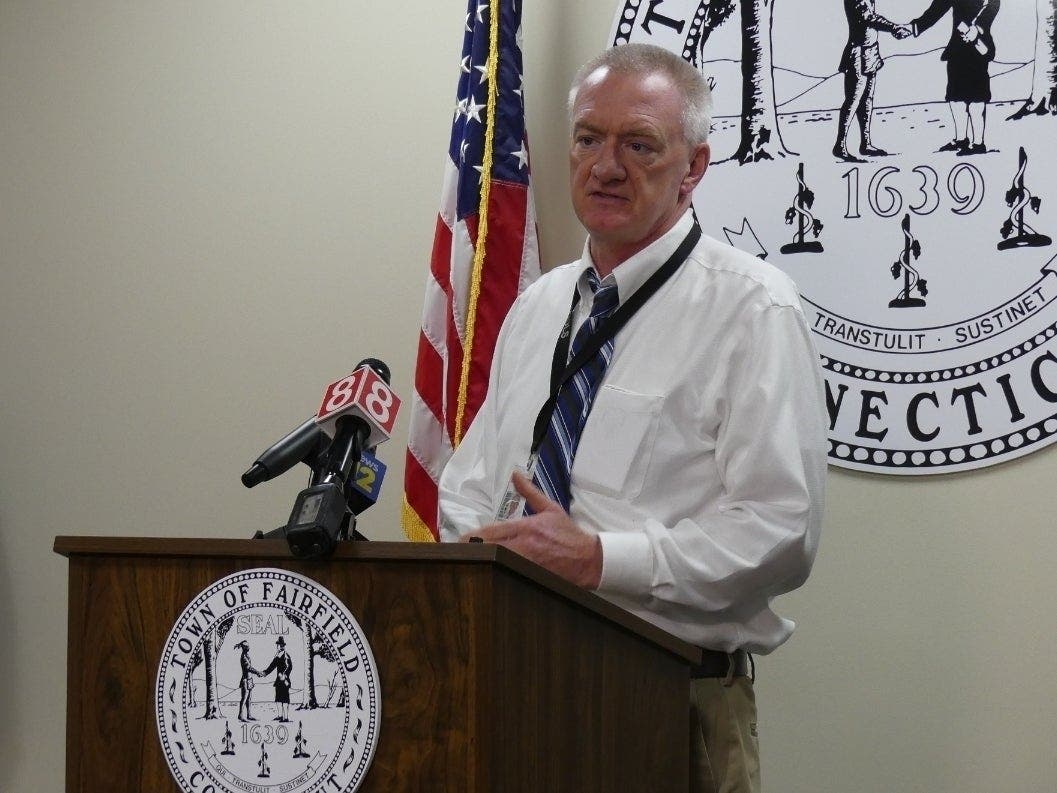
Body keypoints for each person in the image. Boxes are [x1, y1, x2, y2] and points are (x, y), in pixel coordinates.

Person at [438, 42, 827, 793]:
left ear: (694, 168)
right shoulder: (539, 304)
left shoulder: (753, 308)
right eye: (588, 138)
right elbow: (470, 485)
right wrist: (478, 552)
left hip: (669, 698)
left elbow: (781, 529)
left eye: (639, 144)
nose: (605, 165)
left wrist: (600, 559)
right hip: (511, 690)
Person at [911, 0, 1000, 155]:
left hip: (978, 46)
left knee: (977, 97)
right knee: (955, 96)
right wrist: (915, 27)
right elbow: (937, 8)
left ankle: (978, 143)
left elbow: (993, 4)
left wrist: (977, 27)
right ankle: (961, 139)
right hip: (957, 48)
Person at [833, 0, 912, 161]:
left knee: (867, 100)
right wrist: (893, 27)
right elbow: (868, 17)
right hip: (857, 53)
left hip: (870, 52)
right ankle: (840, 145)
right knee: (853, 101)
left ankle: (866, 143)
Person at [260, 636, 294, 722]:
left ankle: (285, 717)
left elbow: (289, 667)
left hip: (284, 681)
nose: (279, 647)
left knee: (285, 699)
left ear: (283, 646)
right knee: (278, 698)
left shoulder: (286, 655)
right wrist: (265, 673)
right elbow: (272, 666)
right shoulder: (278, 656)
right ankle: (280, 716)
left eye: (280, 645)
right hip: (279, 681)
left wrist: (284, 675)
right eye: (278, 645)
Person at [235, 641, 262, 722]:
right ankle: (240, 715)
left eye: (248, 646)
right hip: (245, 680)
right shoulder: (243, 656)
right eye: (247, 646)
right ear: (244, 648)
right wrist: (257, 672)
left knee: (249, 698)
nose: (248, 647)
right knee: (244, 698)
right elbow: (248, 668)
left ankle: (249, 715)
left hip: (249, 679)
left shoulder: (246, 655)